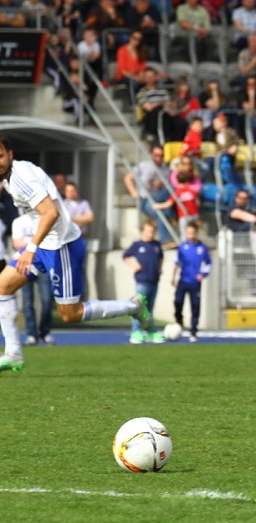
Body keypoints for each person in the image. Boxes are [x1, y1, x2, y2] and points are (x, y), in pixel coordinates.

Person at [0, 137, 149, 371]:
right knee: (3, 287)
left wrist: (30, 249)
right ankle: (14, 353)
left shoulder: (21, 178)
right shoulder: (9, 175)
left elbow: (51, 214)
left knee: (70, 314)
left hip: (62, 247)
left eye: (0, 156)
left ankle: (133, 307)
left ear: (10, 154)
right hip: (43, 245)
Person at [12, 214, 52, 346]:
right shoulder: (19, 221)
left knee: (47, 300)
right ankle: (31, 334)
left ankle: (45, 332)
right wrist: (36, 243)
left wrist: (30, 244)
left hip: (43, 264)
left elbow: (50, 242)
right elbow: (17, 244)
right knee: (28, 302)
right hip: (25, 266)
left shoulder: (43, 220)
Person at [123, 220, 164, 344]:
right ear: (143, 231)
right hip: (142, 281)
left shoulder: (156, 245)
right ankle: (135, 332)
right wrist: (133, 264)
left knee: (149, 309)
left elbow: (161, 257)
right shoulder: (137, 245)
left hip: (154, 281)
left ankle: (150, 331)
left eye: (152, 231)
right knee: (139, 308)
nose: (150, 234)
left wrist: (160, 268)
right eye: (148, 231)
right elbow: (125, 256)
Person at [172, 221, 210, 343]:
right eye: (188, 233)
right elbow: (176, 262)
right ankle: (179, 320)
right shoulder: (182, 247)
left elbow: (208, 263)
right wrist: (173, 277)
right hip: (183, 280)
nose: (191, 235)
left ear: (196, 233)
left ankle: (193, 331)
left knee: (195, 306)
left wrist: (203, 274)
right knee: (177, 302)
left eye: (193, 232)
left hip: (195, 282)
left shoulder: (202, 248)